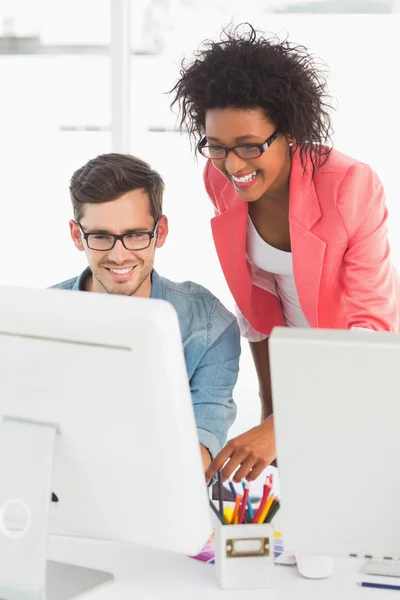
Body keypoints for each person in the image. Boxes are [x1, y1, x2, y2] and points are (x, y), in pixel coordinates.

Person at [170, 24, 400, 483]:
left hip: (365, 370)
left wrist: (283, 426)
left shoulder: (350, 185)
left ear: (289, 132)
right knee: (293, 519)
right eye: (216, 147)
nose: (233, 165)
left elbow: (373, 332)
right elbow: (256, 303)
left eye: (250, 146)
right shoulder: (222, 181)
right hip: (298, 368)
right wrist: (271, 409)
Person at [52, 153, 240, 471]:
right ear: (76, 236)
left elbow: (202, 446)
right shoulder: (38, 319)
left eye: (136, 235)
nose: (118, 255)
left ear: (160, 231)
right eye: (100, 236)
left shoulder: (209, 326)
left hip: (159, 509)